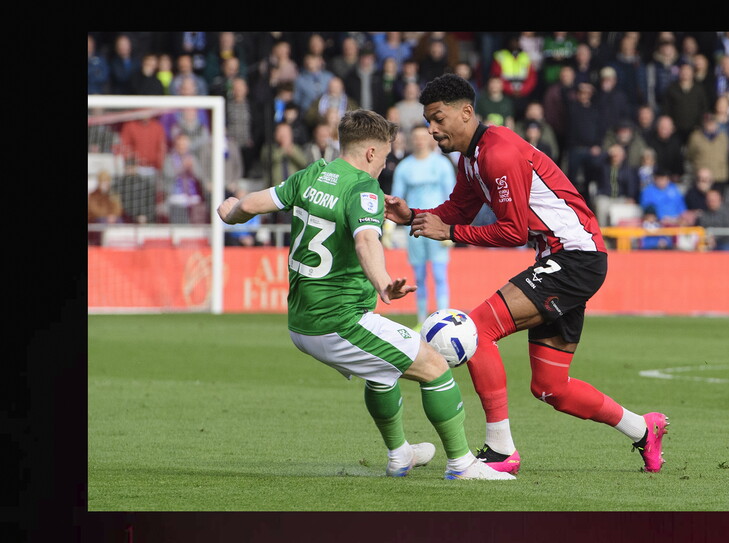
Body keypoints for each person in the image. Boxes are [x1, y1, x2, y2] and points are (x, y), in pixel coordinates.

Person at [383, 74, 669, 475]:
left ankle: (500, 451)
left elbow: (512, 231)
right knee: (551, 387)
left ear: (466, 113)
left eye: (438, 118)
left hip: (575, 257)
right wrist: (413, 215)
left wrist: (449, 233)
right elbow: (458, 210)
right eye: (429, 120)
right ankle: (643, 428)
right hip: (565, 258)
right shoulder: (471, 158)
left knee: (476, 329)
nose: (432, 129)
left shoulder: (498, 153)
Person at [216, 108, 513, 480]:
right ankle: (463, 465)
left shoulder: (313, 174)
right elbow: (366, 240)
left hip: (303, 320)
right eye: (386, 157)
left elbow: (253, 203)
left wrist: (231, 214)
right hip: (337, 321)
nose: (384, 166)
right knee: (435, 366)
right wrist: (383, 282)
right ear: (371, 153)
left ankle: (400, 454)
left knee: (382, 374)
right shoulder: (362, 189)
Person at [391, 125, 457, 327]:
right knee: (419, 275)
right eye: (416, 137)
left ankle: (443, 318)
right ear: (412, 140)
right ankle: (422, 320)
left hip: (438, 226)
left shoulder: (442, 165)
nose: (420, 141)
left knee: (439, 273)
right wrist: (389, 228)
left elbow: (452, 196)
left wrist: (451, 227)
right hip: (414, 227)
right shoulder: (404, 167)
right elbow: (396, 198)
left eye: (423, 137)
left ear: (430, 139)